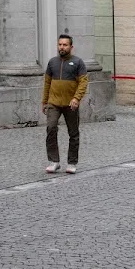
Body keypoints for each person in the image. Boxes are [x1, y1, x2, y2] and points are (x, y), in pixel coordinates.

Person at [42, 35, 88, 175]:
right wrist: (44, 101)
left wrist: (76, 98)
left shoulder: (78, 62)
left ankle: (72, 162)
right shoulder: (52, 63)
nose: (62, 47)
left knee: (73, 133)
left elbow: (83, 82)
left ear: (71, 47)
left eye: (65, 45)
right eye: (60, 44)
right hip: (53, 103)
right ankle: (54, 161)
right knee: (51, 128)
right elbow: (47, 83)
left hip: (70, 104)